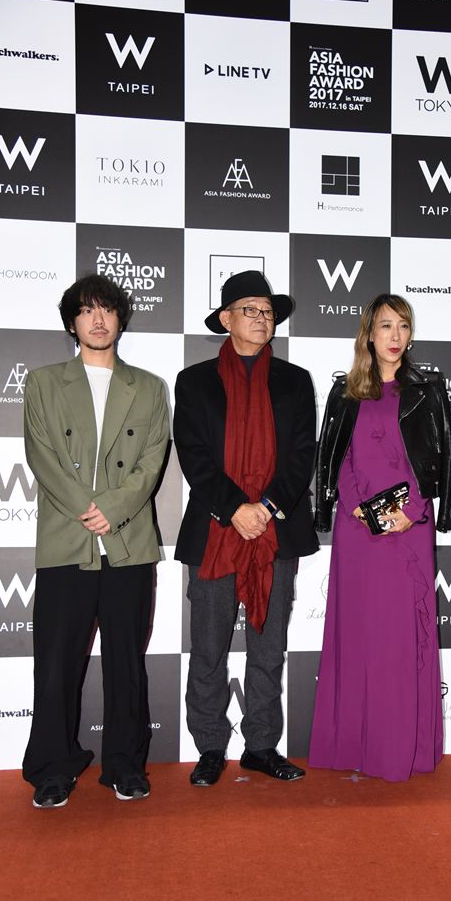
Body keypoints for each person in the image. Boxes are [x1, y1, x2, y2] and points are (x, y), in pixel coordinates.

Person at [22, 274, 169, 808]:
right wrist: (90, 510)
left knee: (127, 662)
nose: (98, 319)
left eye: (107, 309)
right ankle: (52, 768)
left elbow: (152, 459)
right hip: (67, 540)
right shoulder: (43, 383)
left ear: (121, 319)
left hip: (129, 544)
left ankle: (125, 765)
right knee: (56, 664)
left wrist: (114, 509)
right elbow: (41, 455)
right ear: (72, 323)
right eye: (86, 310)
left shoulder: (149, 387)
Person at [174, 270, 318, 786]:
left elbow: (302, 454)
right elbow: (193, 454)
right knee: (208, 649)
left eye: (268, 311)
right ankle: (210, 746)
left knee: (269, 647)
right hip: (215, 531)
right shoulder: (194, 381)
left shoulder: (295, 380)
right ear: (226, 319)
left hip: (276, 532)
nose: (262, 319)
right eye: (251, 310)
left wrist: (268, 507)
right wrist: (236, 507)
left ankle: (261, 745)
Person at [309, 294, 451, 782]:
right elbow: (338, 458)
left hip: (408, 533)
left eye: (403, 326)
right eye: (386, 326)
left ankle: (399, 749)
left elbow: (435, 462)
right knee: (358, 637)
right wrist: (353, 504)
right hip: (357, 533)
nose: (395, 336)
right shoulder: (345, 392)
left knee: (398, 640)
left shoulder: (427, 391)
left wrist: (410, 513)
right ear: (369, 333)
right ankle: (352, 744)